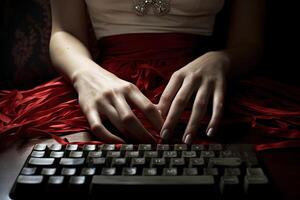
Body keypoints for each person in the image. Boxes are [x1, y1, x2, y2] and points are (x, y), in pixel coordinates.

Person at [0, 0, 299, 147]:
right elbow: (64, 32)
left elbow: (248, 42)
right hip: (102, 81)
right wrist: (84, 74)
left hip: (203, 85)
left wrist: (223, 59)